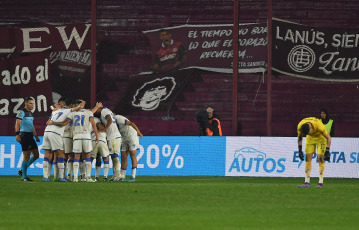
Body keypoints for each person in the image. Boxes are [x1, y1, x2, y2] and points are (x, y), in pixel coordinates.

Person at [48, 100, 99, 182]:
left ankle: (74, 177)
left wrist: (53, 122)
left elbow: (64, 123)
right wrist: (97, 136)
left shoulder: (71, 113)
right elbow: (93, 125)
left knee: (76, 157)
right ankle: (88, 177)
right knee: (87, 157)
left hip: (76, 137)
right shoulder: (88, 112)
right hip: (86, 136)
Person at [297, 117, 331, 188]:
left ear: (311, 128)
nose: (307, 134)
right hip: (310, 139)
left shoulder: (319, 126)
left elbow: (328, 138)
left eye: (308, 132)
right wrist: (299, 150)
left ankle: (320, 183)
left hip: (320, 139)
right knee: (307, 159)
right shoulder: (300, 126)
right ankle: (306, 182)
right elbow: (300, 137)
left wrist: (327, 150)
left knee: (320, 159)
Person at [92, 102, 122, 182]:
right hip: (112, 136)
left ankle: (118, 175)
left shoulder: (104, 111)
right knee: (113, 156)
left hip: (114, 136)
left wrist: (103, 129)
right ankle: (115, 175)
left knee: (115, 157)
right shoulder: (106, 111)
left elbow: (110, 120)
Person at [15, 97, 40, 182]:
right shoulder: (21, 112)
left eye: (33, 103)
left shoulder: (30, 113)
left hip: (30, 136)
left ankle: (22, 170)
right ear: (25, 103)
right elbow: (17, 123)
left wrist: (36, 136)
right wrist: (17, 135)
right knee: (26, 156)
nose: (32, 105)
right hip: (24, 136)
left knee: (36, 155)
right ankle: (24, 177)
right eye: (30, 103)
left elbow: (31, 125)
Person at [114, 114, 143, 182]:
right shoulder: (110, 122)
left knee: (133, 155)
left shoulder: (118, 118)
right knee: (123, 157)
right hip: (124, 138)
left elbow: (131, 123)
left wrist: (138, 131)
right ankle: (122, 176)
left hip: (132, 137)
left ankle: (133, 177)